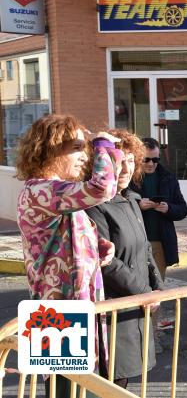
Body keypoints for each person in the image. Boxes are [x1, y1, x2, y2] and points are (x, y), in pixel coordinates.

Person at [16, 114, 122, 398]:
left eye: (85, 147)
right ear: (50, 150)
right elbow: (102, 189)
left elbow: (65, 231)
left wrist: (98, 245)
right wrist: (102, 145)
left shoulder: (56, 193)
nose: (84, 155)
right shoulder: (40, 190)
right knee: (66, 391)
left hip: (75, 306)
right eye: (76, 147)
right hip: (57, 312)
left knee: (84, 387)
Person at [86, 130, 164, 389]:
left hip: (136, 303)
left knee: (126, 376)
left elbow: (145, 249)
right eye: (118, 160)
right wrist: (145, 293)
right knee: (112, 378)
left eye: (131, 161)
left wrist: (158, 286)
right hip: (113, 306)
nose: (125, 168)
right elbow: (107, 262)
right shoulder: (95, 205)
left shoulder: (130, 200)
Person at [130, 137, 187, 281]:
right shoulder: (127, 177)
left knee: (157, 286)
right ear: (138, 157)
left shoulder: (168, 178)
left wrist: (168, 208)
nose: (151, 164)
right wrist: (138, 206)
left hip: (160, 242)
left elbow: (182, 209)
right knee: (137, 286)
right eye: (146, 160)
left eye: (155, 160)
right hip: (135, 241)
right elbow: (116, 207)